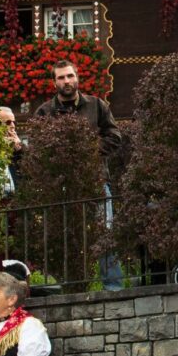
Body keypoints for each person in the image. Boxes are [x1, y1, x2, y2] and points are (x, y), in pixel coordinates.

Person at [36, 60, 126, 288]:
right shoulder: (45, 111)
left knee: (105, 234)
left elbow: (115, 136)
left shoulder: (97, 106)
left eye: (69, 76)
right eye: (61, 78)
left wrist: (86, 151)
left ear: (77, 77)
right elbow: (37, 147)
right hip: (61, 185)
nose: (66, 81)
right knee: (65, 237)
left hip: (96, 180)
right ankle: (71, 287)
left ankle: (113, 288)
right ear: (54, 82)